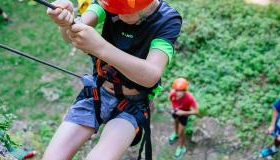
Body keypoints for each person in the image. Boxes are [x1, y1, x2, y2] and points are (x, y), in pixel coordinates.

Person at [42, 0, 182, 159]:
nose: (120, 15)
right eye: (116, 10)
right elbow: (72, 34)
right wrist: (65, 23)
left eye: (126, 10)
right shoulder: (107, 4)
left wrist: (100, 47)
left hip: (132, 104)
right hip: (98, 93)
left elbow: (151, 74)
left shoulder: (167, 20)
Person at [167, 78, 198, 158]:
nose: (178, 93)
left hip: (184, 115)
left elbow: (196, 111)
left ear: (185, 90)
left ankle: (181, 147)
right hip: (175, 112)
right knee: (175, 122)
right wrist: (172, 108)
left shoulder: (189, 98)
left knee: (181, 132)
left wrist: (183, 112)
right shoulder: (173, 94)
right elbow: (170, 99)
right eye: (177, 90)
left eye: (181, 91)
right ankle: (175, 134)